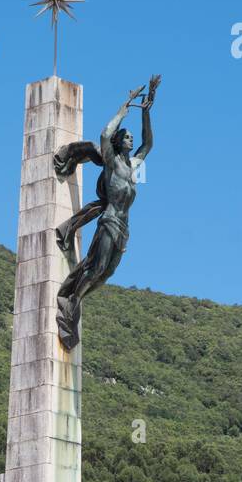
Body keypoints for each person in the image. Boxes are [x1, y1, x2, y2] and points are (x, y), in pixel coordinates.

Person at [55, 75, 161, 349]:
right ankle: (73, 299)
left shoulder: (132, 166)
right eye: (126, 136)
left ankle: (78, 297)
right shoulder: (111, 163)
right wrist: (124, 108)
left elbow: (148, 145)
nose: (131, 139)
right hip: (109, 222)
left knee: (108, 272)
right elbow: (104, 134)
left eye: (131, 137)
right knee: (97, 267)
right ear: (118, 142)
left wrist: (146, 112)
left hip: (124, 228)